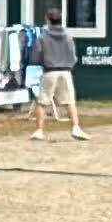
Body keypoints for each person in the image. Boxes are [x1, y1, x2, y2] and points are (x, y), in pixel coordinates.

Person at [29, 7, 88, 139]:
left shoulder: (42, 38)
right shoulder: (68, 37)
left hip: (49, 71)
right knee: (70, 101)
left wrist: (42, 63)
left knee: (42, 101)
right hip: (65, 71)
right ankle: (76, 128)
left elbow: (35, 57)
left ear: (48, 20)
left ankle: (39, 130)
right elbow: (73, 57)